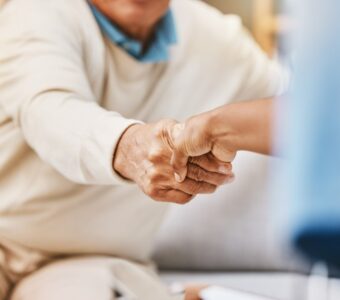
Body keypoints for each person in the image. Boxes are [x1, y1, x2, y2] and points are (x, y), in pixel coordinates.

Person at [0, 0, 287, 299]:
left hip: (90, 263)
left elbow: (305, 117)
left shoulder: (215, 39)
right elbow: (50, 112)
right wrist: (129, 147)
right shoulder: (37, 11)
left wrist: (223, 126)